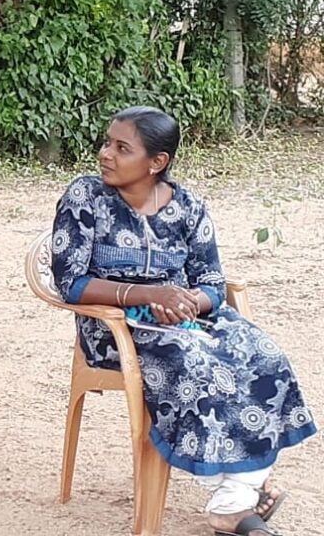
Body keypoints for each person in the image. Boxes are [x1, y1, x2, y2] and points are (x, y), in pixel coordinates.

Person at [51, 106, 317, 536]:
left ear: (157, 162)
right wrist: (148, 295)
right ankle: (240, 500)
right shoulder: (86, 197)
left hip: (185, 318)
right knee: (192, 361)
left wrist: (189, 302)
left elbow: (212, 282)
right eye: (107, 143)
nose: (105, 154)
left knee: (264, 356)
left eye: (122, 148)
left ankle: (234, 500)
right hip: (116, 329)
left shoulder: (188, 207)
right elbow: (70, 282)